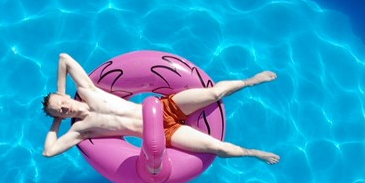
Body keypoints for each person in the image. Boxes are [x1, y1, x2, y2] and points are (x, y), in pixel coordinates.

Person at [42, 53, 281, 164]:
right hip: (162, 135)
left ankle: (250, 81)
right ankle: (254, 153)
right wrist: (57, 123)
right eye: (60, 111)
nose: (64, 108)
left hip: (167, 108)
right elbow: (49, 151)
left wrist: (61, 91)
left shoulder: (88, 91)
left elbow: (64, 59)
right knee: (215, 147)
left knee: (214, 93)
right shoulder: (81, 131)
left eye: (62, 103)